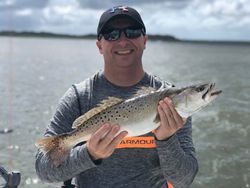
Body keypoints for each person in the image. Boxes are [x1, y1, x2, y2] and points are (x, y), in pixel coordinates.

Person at [35, 5, 198, 188]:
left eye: (132, 32)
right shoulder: (79, 97)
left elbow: (184, 180)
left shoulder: (170, 100)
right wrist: (89, 153)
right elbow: (44, 169)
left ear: (144, 40)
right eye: (112, 34)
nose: (122, 41)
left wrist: (167, 139)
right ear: (99, 45)